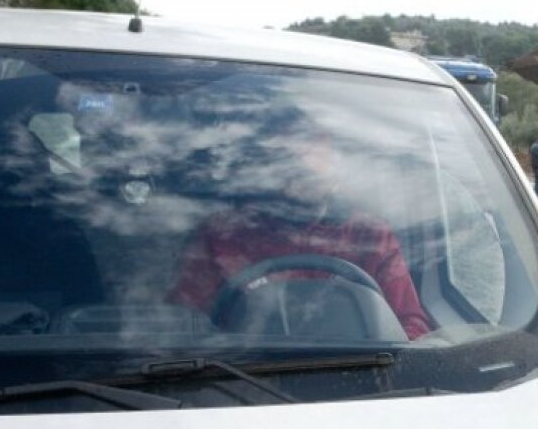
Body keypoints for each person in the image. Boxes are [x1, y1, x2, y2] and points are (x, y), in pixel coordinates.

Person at [167, 124, 431, 340]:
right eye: (290, 167)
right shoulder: (222, 236)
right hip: (240, 383)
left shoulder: (370, 236)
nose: (303, 177)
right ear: (266, 171)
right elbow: (184, 327)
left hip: (355, 378)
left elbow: (409, 326)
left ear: (339, 174)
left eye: (316, 161)